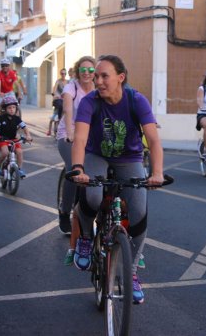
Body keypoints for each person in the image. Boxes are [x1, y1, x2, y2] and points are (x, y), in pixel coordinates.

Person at [70, 54, 164, 304]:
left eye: (104, 76)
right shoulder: (90, 102)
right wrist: (79, 168)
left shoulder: (136, 100)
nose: (97, 80)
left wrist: (157, 173)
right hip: (96, 155)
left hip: (130, 158)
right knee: (91, 194)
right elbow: (79, 138)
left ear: (120, 78)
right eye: (96, 76)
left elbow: (153, 140)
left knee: (139, 213)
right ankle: (87, 240)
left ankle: (131, 273)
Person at [55, 56, 96, 262]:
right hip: (68, 135)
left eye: (90, 69)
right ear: (77, 71)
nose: (87, 73)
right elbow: (68, 109)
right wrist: (70, 131)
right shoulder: (71, 88)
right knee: (73, 169)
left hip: (91, 138)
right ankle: (65, 210)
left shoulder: (99, 88)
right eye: (83, 69)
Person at [0, 96, 33, 178]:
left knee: (20, 152)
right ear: (5, 109)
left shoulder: (17, 118)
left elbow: (24, 127)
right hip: (3, 139)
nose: (12, 109)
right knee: (5, 152)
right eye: (9, 108)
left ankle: (20, 169)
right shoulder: (1, 118)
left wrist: (28, 135)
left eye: (14, 107)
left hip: (14, 140)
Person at [47, 68, 68, 136]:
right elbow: (54, 89)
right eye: (62, 73)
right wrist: (55, 94)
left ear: (66, 74)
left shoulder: (68, 82)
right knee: (57, 111)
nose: (63, 75)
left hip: (66, 100)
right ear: (60, 74)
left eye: (64, 74)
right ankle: (51, 129)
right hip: (58, 100)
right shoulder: (58, 81)